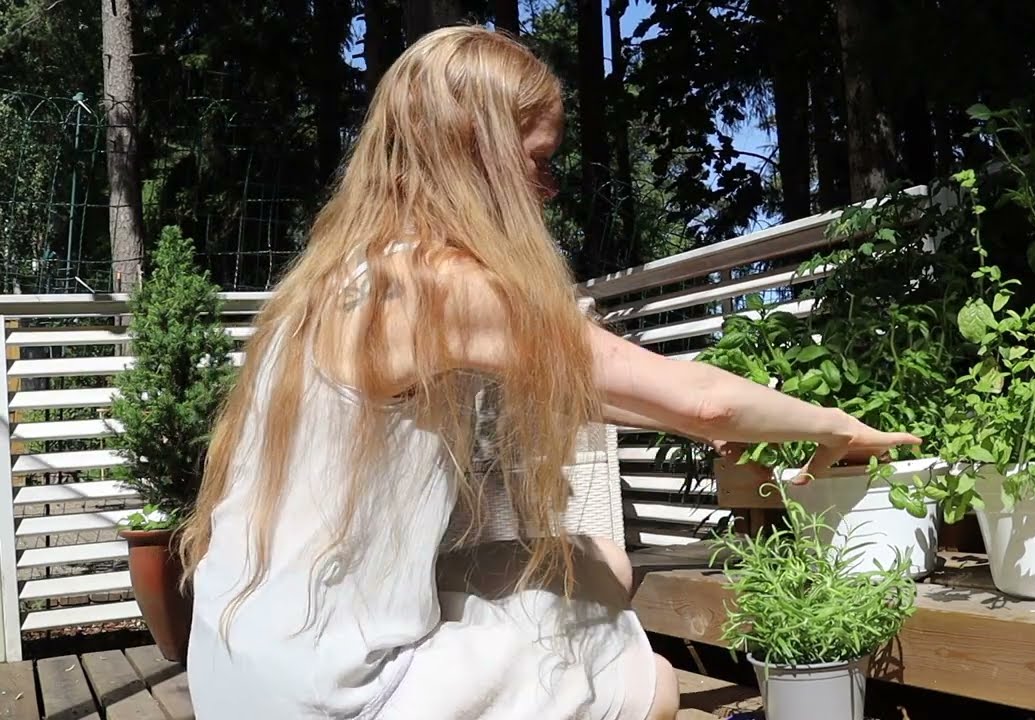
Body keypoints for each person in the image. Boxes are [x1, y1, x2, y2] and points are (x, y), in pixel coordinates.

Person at [179, 26, 919, 720]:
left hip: (236, 670)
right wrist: (839, 428)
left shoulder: (339, 280)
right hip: (334, 697)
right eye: (539, 160)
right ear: (479, 154)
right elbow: (705, 404)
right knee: (654, 681)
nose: (551, 188)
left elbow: (597, 391)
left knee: (597, 561)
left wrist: (686, 420)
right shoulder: (439, 287)